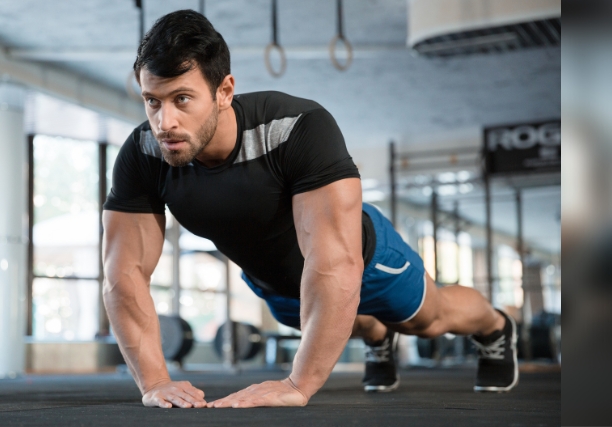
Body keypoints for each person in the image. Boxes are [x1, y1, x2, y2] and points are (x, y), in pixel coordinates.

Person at [102, 10, 518, 409]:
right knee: (338, 321)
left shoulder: (295, 127)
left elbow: (336, 264)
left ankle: (494, 326)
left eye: (182, 98)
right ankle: (374, 334)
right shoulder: (143, 154)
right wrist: (155, 381)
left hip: (363, 260)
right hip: (278, 284)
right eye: (152, 101)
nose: (164, 121)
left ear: (224, 92)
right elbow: (124, 275)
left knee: (426, 321)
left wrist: (298, 384)